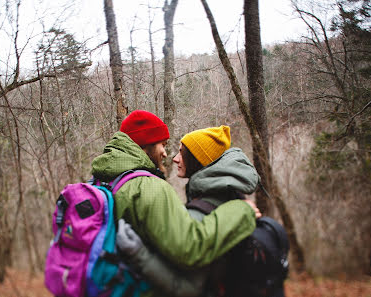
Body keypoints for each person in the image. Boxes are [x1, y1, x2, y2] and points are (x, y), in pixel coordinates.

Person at [90, 110, 259, 297]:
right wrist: (243, 210)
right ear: (146, 144)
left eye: (179, 151)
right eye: (162, 144)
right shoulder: (148, 187)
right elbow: (189, 248)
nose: (166, 154)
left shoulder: (106, 178)